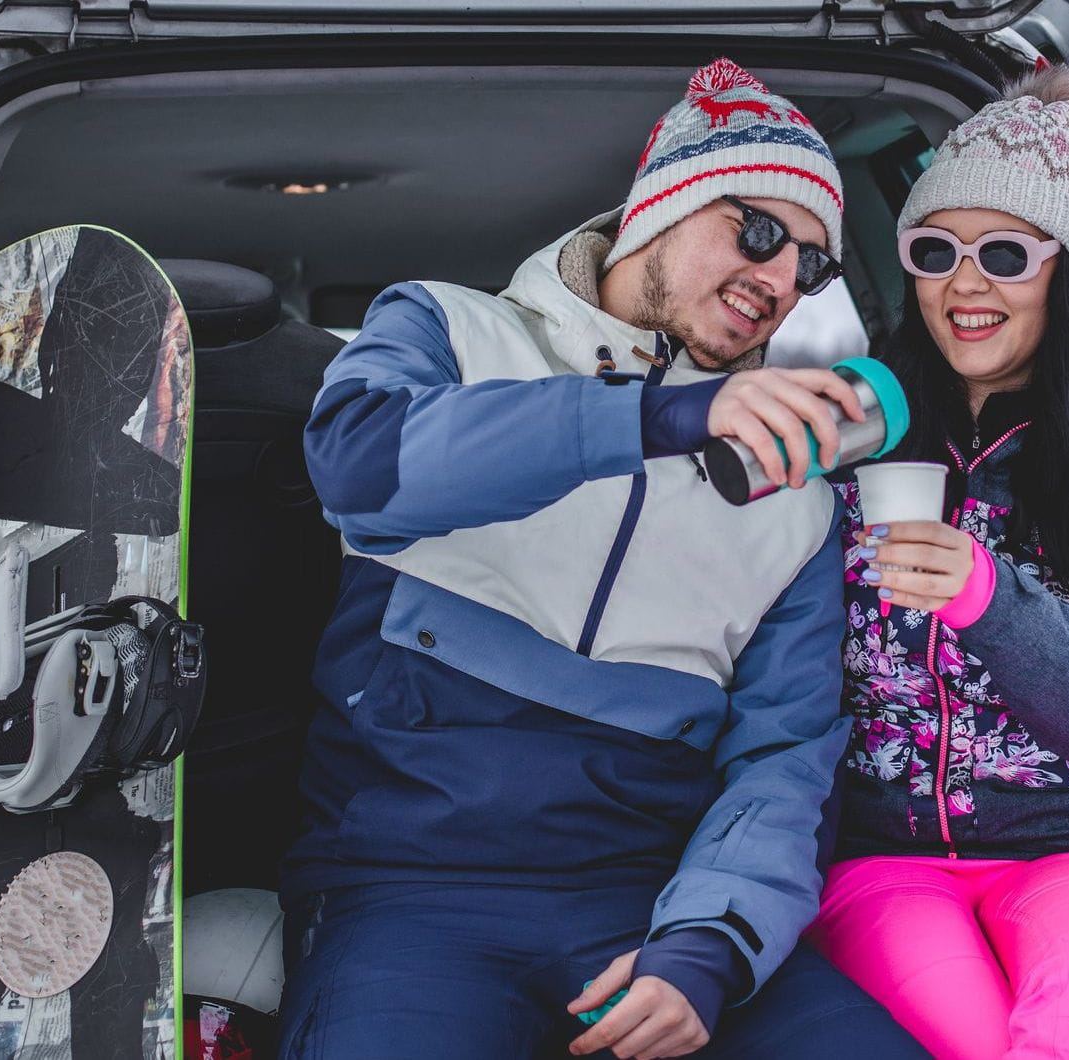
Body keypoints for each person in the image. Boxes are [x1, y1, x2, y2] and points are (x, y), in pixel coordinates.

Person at [280, 58, 930, 1060]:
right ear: (657, 205)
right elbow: (360, 464)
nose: (778, 277)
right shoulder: (449, 328)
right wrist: (663, 417)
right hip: (411, 889)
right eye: (757, 229)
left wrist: (712, 946)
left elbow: (786, 756)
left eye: (811, 262)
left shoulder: (794, 499)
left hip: (653, 901)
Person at [804, 65, 1069, 1059]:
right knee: (965, 1041)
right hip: (884, 858)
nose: (965, 283)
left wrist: (990, 596)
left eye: (1004, 253)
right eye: (935, 250)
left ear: (1067, 274)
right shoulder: (859, 432)